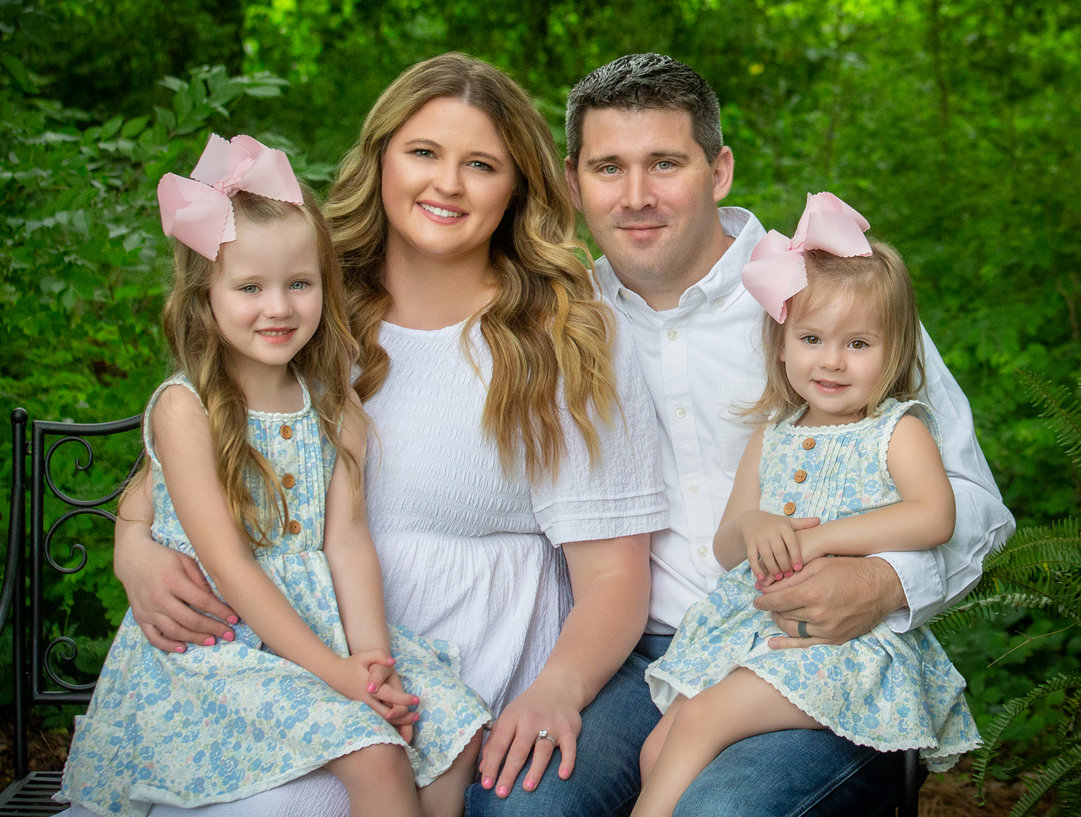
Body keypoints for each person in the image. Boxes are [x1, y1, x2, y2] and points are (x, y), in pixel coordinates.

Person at [108, 55, 666, 816]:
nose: (448, 184)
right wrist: (133, 546)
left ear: (518, 187)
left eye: (481, 164)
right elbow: (194, 444)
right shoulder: (302, 295)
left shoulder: (563, 334)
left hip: (459, 669)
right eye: (423, 153)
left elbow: (613, 576)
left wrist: (556, 691)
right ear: (378, 160)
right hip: (286, 655)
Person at [551, 52, 1014, 816]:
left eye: (664, 162)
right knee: (523, 804)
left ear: (719, 169)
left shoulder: (828, 301)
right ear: (574, 182)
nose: (635, 196)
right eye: (608, 167)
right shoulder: (560, 324)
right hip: (637, 656)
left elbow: (969, 502)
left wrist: (882, 583)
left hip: (813, 649)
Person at [57, 133, 490, 817]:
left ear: (324, 285)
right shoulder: (186, 408)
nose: (279, 307)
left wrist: (372, 660)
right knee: (375, 752)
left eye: (299, 284)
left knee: (449, 725)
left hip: (323, 629)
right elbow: (228, 566)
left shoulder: (335, 405)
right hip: (224, 646)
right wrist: (337, 674)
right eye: (250, 287)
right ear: (207, 297)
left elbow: (345, 541)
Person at [631, 193, 981, 817]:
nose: (832, 361)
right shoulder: (771, 436)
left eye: (858, 344)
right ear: (782, 343)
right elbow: (727, 543)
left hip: (844, 649)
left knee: (700, 721)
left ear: (895, 349)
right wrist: (758, 524)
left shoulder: (898, 430)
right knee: (656, 752)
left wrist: (819, 539)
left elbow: (935, 516)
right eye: (812, 338)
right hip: (754, 636)